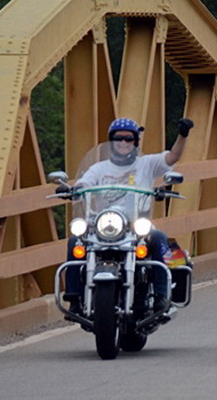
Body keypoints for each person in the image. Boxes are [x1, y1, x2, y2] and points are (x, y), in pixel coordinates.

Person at [61, 116, 193, 314]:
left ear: (135, 142)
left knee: (158, 238)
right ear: (111, 141)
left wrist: (183, 135)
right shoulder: (99, 168)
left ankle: (161, 297)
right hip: (104, 226)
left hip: (136, 224)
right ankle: (75, 299)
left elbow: (172, 157)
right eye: (118, 138)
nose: (123, 143)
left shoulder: (147, 164)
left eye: (128, 139)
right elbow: (84, 183)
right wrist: (75, 189)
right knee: (75, 241)